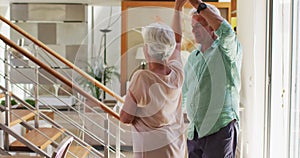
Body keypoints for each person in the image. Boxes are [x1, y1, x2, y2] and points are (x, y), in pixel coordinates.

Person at [119, 0, 187, 157]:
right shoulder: (177, 73)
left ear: (146, 49)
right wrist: (178, 8)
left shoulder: (142, 78)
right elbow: (177, 43)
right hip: (174, 146)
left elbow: (125, 117)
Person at [182, 0, 242, 157]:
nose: (194, 31)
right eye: (193, 27)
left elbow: (227, 32)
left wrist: (198, 5)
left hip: (219, 129)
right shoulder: (193, 58)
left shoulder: (226, 50)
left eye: (199, 26)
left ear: (211, 26)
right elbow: (186, 92)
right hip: (195, 131)